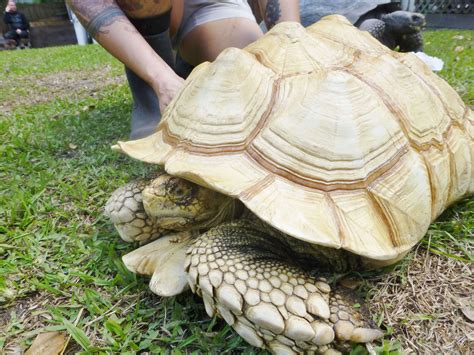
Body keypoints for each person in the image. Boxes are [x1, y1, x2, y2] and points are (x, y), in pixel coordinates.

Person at [66, 0, 299, 139]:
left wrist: (289, 40)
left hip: (205, 5)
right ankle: (153, 86)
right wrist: (161, 79)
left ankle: (189, 66)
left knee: (249, 73)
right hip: (141, 8)